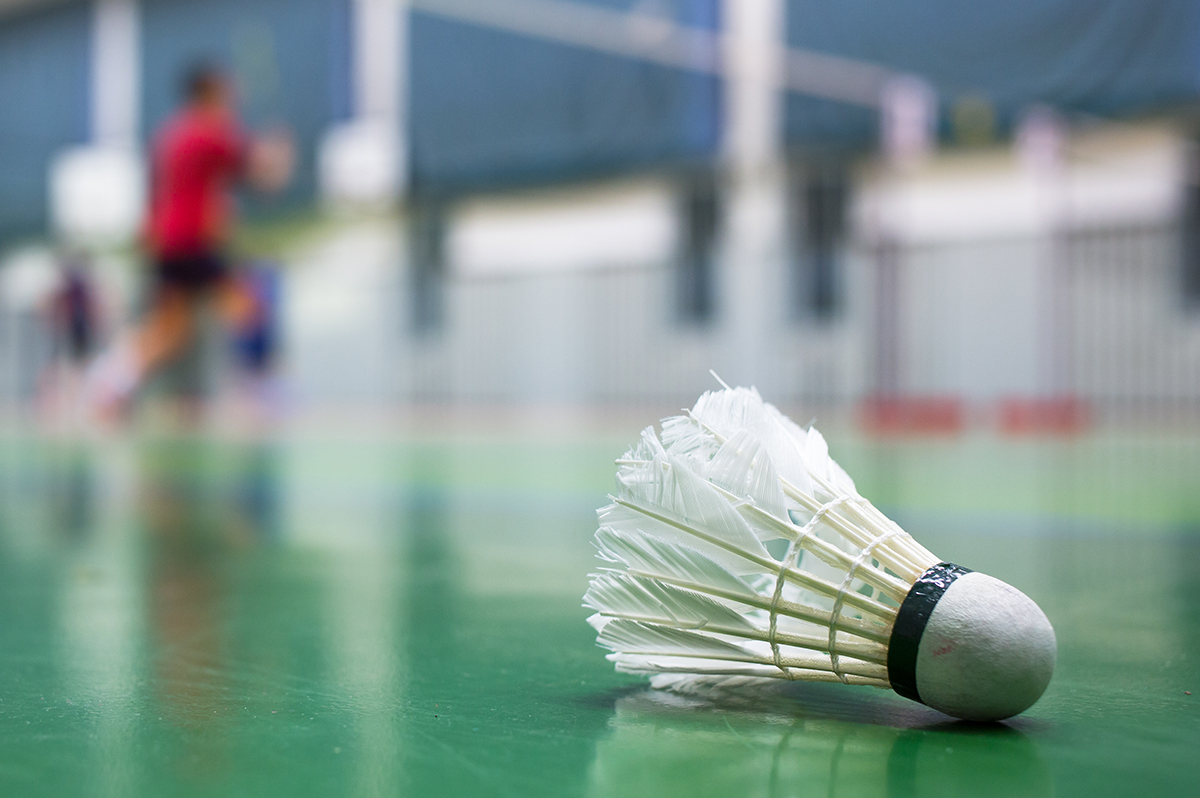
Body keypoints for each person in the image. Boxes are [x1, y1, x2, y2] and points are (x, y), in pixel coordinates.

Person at [88, 63, 293, 419]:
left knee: (170, 329)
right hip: (192, 242)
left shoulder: (169, 133)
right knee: (248, 305)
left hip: (166, 242)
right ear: (210, 93)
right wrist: (281, 150)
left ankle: (109, 383)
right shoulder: (211, 130)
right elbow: (263, 176)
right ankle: (262, 390)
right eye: (228, 90)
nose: (234, 98)